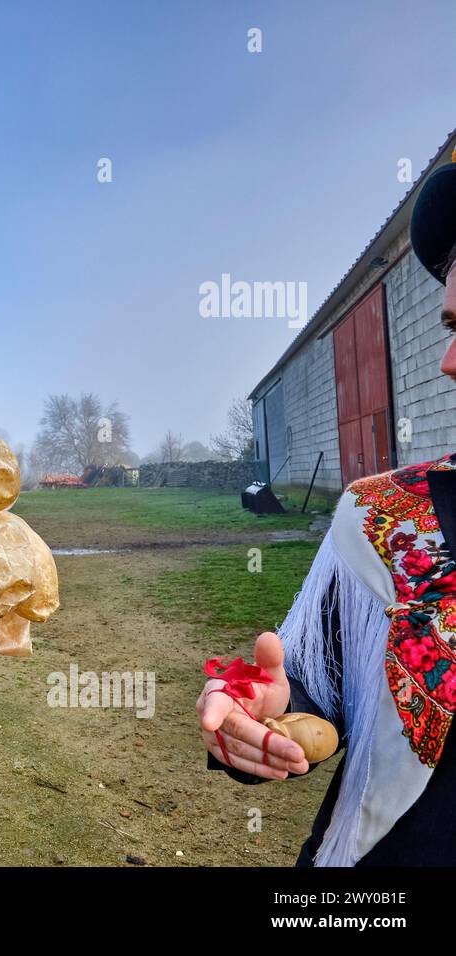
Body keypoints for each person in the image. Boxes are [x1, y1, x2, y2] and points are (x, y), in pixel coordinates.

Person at [198, 160, 456, 865]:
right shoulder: (380, 520)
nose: (448, 362)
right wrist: (264, 707)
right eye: (452, 324)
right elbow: (316, 681)